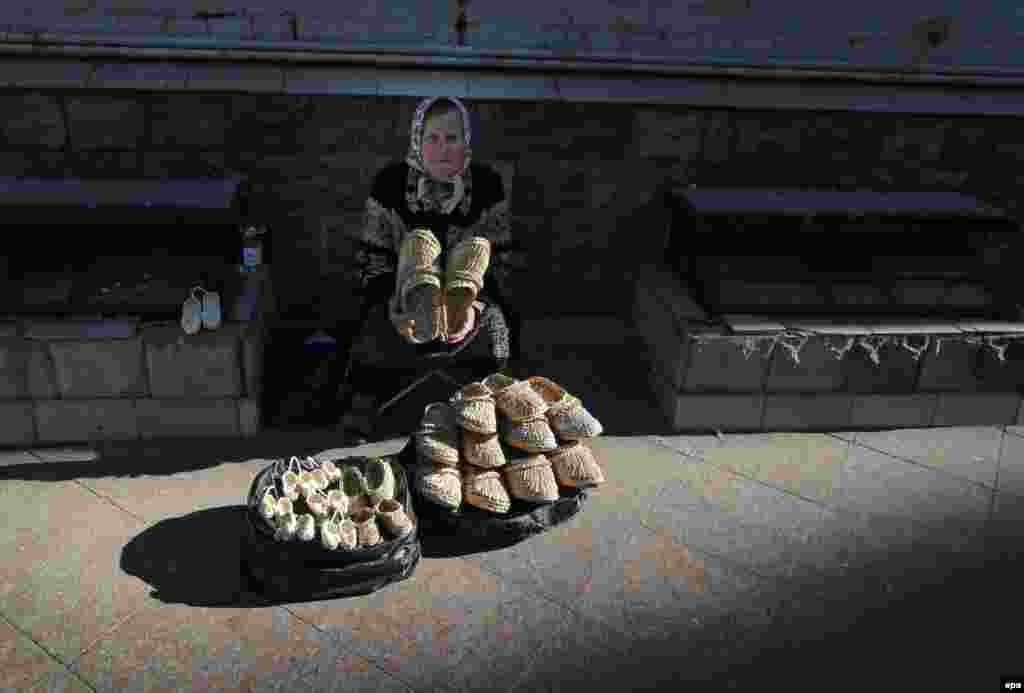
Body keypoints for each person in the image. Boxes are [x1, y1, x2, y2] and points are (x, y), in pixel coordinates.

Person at [337, 96, 522, 440]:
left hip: (470, 301)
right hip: (403, 301)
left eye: (452, 138)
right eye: (432, 139)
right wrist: (394, 307)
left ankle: (491, 400)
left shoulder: (487, 184)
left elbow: (502, 262)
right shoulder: (390, 183)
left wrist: (478, 306)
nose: (442, 149)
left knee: (495, 319)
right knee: (414, 248)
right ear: (417, 140)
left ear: (465, 140)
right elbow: (371, 259)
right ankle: (364, 400)